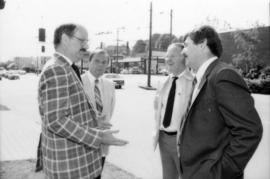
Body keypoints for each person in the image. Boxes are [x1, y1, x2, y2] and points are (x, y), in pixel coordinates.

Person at [38, 23, 128, 179]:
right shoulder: (57, 69)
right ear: (65, 39)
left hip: (75, 164)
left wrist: (94, 122)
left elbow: (70, 112)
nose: (86, 46)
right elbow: (56, 121)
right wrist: (98, 137)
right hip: (70, 166)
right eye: (82, 41)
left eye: (87, 41)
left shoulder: (65, 66)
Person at [178, 25, 263, 179]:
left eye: (186, 45)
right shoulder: (200, 78)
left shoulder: (223, 75)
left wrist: (218, 174)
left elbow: (250, 131)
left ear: (203, 44)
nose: (183, 51)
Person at [153, 43, 194, 179]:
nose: (168, 59)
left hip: (182, 141)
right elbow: (158, 110)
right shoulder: (164, 82)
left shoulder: (193, 82)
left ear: (184, 57)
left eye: (173, 56)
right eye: (167, 56)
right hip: (163, 138)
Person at [81, 48, 115, 169]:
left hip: (102, 143)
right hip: (82, 143)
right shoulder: (78, 82)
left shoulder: (110, 85)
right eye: (97, 61)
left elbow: (109, 112)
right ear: (89, 62)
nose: (100, 65)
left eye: (104, 62)